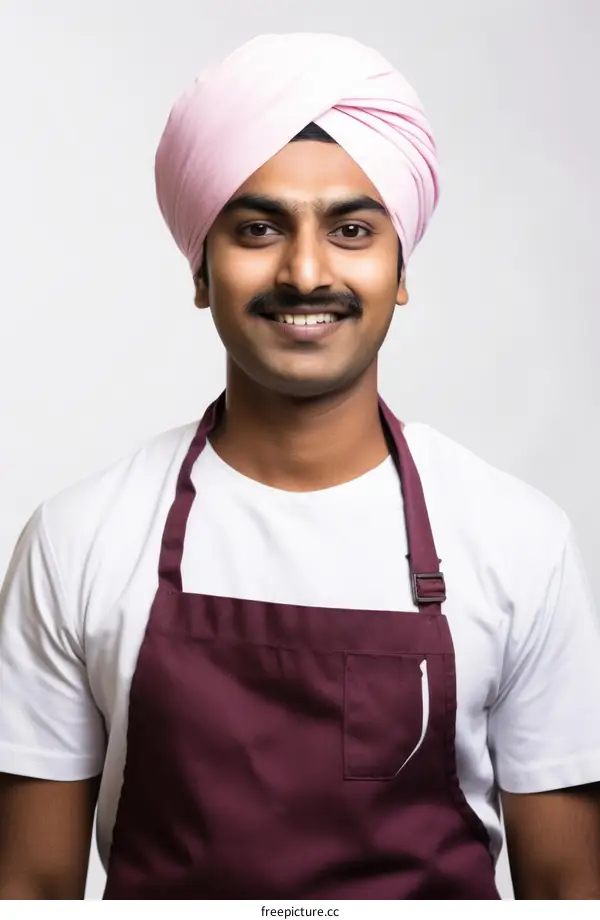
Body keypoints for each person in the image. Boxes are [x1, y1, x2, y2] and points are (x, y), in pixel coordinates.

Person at [1, 32, 599, 902]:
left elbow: (572, 893)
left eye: (352, 230)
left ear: (401, 270)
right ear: (201, 271)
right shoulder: (79, 539)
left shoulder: (519, 542)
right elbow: (28, 888)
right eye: (257, 229)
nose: (306, 271)